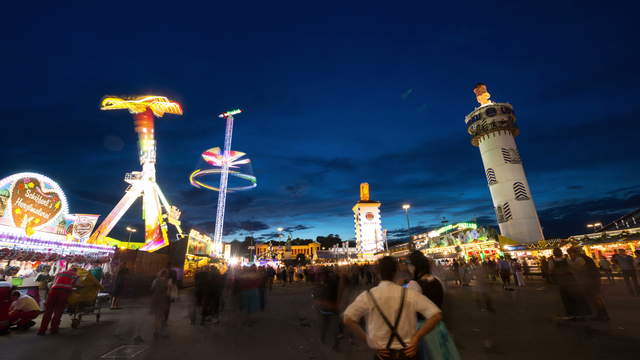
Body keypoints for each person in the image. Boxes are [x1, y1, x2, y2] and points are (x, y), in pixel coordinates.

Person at [343, 257, 442, 360]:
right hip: (408, 353)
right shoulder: (409, 293)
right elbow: (436, 315)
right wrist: (417, 337)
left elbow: (348, 318)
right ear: (395, 272)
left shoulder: (368, 296)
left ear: (378, 273)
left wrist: (369, 341)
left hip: (383, 355)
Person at [549, 248, 590, 320]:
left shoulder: (551, 261)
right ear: (561, 252)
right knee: (574, 296)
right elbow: (573, 266)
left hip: (561, 281)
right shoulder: (566, 259)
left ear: (554, 253)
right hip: (570, 279)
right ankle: (581, 312)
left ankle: (570, 313)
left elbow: (551, 270)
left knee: (565, 298)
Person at [38, 267, 80, 335]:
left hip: (53, 292)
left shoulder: (59, 273)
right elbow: (78, 285)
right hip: (64, 293)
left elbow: (53, 283)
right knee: (58, 312)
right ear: (76, 271)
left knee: (48, 312)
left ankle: (41, 330)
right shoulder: (76, 275)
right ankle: (53, 330)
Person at [150, 269, 171, 338]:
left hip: (155, 299)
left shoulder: (155, 280)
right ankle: (162, 332)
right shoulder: (167, 282)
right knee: (162, 316)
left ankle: (156, 331)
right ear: (165, 274)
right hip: (163, 299)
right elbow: (168, 293)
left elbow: (152, 289)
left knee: (157, 316)